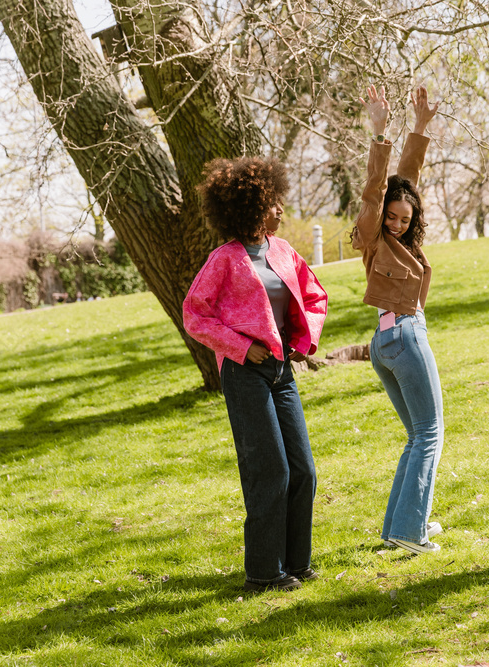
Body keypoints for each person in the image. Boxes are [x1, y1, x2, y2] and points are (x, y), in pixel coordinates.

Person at [183, 156, 328, 592]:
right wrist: (244, 349)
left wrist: (301, 343)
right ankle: (264, 573)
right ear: (249, 206)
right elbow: (195, 316)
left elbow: (314, 294)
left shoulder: (282, 251)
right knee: (270, 471)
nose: (280, 210)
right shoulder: (224, 260)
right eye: (272, 203)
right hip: (245, 375)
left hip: (281, 372)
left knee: (303, 470)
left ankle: (297, 564)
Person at [350, 84, 443, 555]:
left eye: (404, 219)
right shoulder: (372, 232)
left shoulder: (403, 229)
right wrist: (379, 134)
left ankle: (402, 525)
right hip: (404, 333)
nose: (397, 223)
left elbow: (405, 179)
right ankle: (410, 532)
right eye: (392, 218)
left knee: (416, 435)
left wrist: (420, 129)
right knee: (430, 433)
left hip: (386, 341)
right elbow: (376, 191)